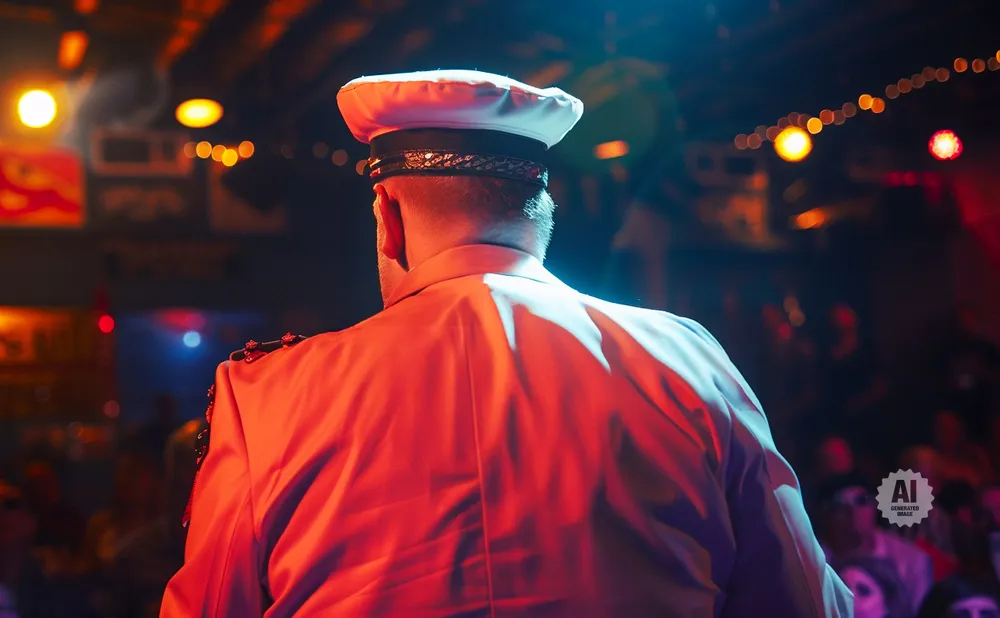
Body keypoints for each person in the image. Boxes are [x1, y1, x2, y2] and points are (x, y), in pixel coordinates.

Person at [160, 70, 851, 617]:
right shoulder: (687, 360)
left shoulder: (268, 395)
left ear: (388, 218)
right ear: (540, 216)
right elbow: (803, 602)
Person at [816, 473, 933, 612]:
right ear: (824, 514)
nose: (852, 511)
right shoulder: (811, 558)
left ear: (875, 505)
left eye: (861, 501)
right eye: (840, 504)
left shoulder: (912, 561)